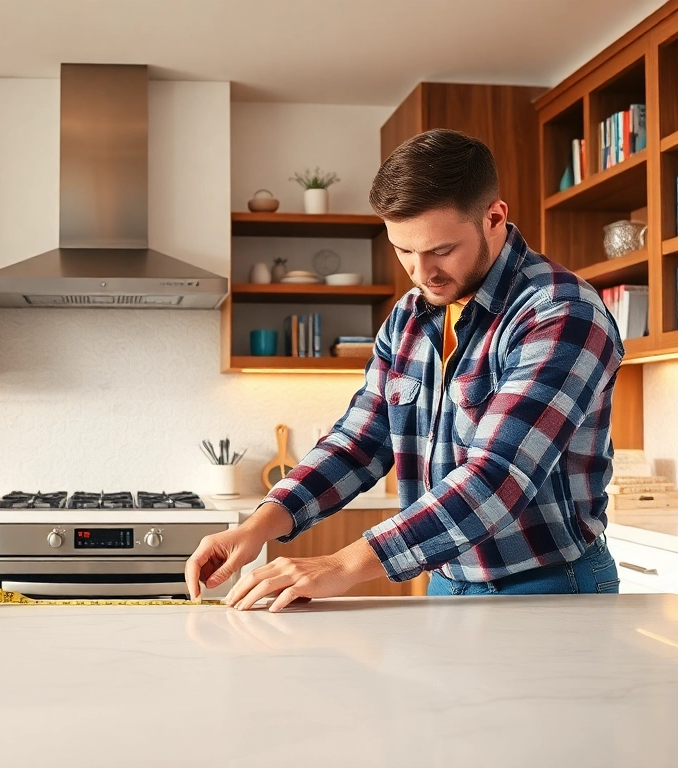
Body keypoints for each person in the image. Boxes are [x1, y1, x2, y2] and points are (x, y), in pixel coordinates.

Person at [186, 129, 624, 611]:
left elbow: (496, 478)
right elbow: (359, 441)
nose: (421, 273)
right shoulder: (413, 314)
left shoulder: (561, 312)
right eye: (404, 251)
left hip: (549, 587)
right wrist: (261, 523)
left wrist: (340, 565)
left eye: (441, 250)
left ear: (495, 217)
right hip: (445, 580)